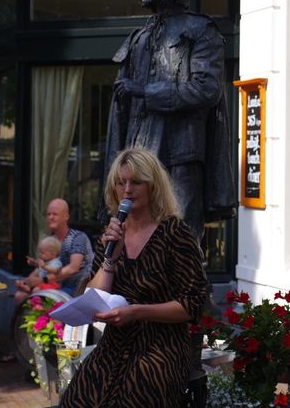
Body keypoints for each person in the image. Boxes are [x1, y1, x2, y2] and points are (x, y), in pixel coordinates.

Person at [105, 0, 234, 240]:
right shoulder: (139, 38)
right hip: (138, 164)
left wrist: (145, 91)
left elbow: (206, 88)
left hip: (180, 160)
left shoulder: (201, 31)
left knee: (179, 241)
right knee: (136, 239)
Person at [61, 146, 210, 407]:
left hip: (161, 345)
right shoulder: (112, 233)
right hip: (115, 343)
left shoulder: (176, 233)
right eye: (121, 182)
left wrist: (137, 312)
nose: (127, 190)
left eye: (136, 182)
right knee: (79, 396)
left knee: (133, 396)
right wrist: (111, 258)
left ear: (154, 186)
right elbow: (95, 296)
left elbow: (192, 304)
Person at [13, 198, 92, 306]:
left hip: (76, 290)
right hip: (54, 286)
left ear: (66, 217)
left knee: (38, 295)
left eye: (55, 214)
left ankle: (39, 322)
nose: (50, 217)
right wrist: (26, 282)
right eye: (48, 214)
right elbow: (41, 267)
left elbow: (73, 268)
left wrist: (42, 280)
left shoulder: (78, 237)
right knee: (20, 295)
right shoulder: (51, 240)